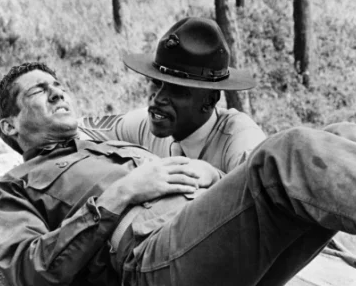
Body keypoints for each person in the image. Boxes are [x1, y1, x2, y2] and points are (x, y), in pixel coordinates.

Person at [0, 62, 356, 286]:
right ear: (9, 124)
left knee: (340, 133)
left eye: (58, 84)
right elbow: (31, 272)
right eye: (39, 91)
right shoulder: (12, 187)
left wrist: (212, 174)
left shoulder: (106, 140)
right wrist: (123, 193)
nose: (57, 91)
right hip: (152, 267)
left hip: (206, 243)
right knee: (288, 152)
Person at [78, 17, 266, 175]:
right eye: (156, 82)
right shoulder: (147, 122)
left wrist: (215, 179)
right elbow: (77, 130)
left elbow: (260, 205)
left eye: (177, 89)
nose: (158, 98)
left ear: (209, 101)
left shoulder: (241, 141)